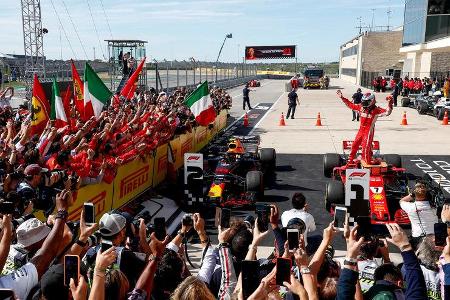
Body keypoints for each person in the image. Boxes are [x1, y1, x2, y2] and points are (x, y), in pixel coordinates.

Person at [337, 90, 393, 165]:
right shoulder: (360, 107)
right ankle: (350, 161)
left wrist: (390, 102)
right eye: (363, 101)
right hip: (361, 130)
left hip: (369, 131)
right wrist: (342, 98)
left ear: (372, 101)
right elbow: (350, 105)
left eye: (365, 102)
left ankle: (369, 163)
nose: (363, 103)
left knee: (366, 148)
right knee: (354, 145)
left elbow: (387, 112)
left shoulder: (376, 110)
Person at [399, 182, 438, 246]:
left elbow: (401, 201)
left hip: (418, 237)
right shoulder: (434, 207)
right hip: (434, 237)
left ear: (414, 195)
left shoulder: (410, 207)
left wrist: (411, 195)